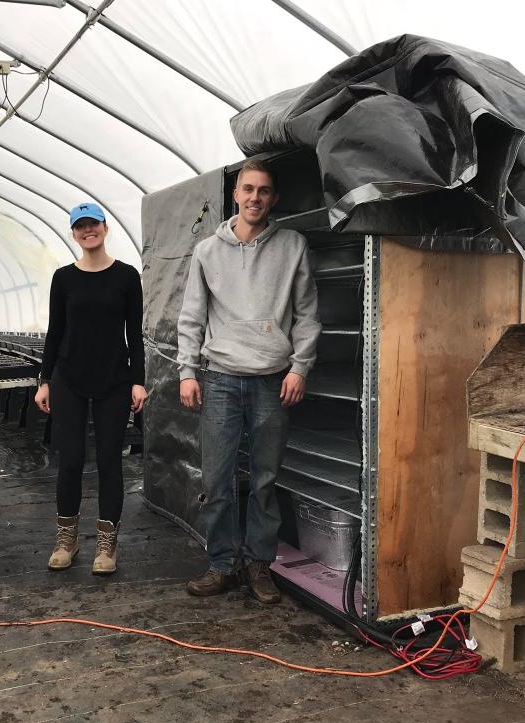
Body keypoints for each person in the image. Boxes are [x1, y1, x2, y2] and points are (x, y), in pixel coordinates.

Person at [177, 158, 321, 604]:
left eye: (264, 191)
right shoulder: (207, 251)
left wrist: (300, 367)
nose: (255, 197)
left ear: (273, 199)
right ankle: (221, 564)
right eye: (247, 189)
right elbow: (192, 315)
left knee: (264, 480)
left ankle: (259, 565)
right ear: (235, 195)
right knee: (217, 480)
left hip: (271, 381)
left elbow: (306, 313)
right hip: (219, 378)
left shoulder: (292, 245)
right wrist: (186, 371)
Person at [35, 202, 147, 575]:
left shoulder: (127, 276)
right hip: (69, 377)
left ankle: (106, 544)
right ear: (74, 233)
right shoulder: (63, 278)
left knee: (110, 460)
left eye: (93, 224)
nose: (88, 231)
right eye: (80, 227)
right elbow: (55, 331)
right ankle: (66, 539)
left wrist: (138, 380)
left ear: (105, 227)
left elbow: (136, 333)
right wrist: (44, 380)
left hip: (114, 379)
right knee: (70, 459)